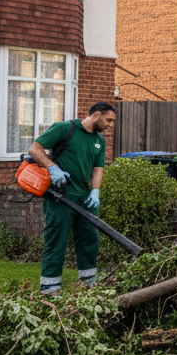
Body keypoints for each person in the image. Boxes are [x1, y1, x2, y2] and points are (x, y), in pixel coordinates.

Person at [28, 101, 115, 295]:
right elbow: (35, 149)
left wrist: (95, 191)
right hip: (60, 197)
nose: (110, 125)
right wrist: (52, 168)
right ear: (96, 115)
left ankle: (89, 284)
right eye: (108, 120)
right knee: (56, 241)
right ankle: (49, 288)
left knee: (89, 240)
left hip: (85, 199)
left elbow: (97, 169)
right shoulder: (65, 129)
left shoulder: (99, 140)